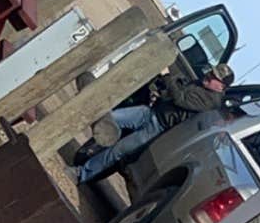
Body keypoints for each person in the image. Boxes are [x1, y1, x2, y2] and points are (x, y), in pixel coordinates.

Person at [73, 63, 232, 185]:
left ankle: (81, 174)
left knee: (118, 150)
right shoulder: (200, 84)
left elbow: (180, 99)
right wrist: (161, 94)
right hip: (149, 112)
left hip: (157, 128)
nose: (209, 76)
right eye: (211, 72)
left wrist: (167, 75)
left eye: (214, 77)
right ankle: (72, 130)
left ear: (221, 86)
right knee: (109, 117)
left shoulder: (211, 100)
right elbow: (174, 96)